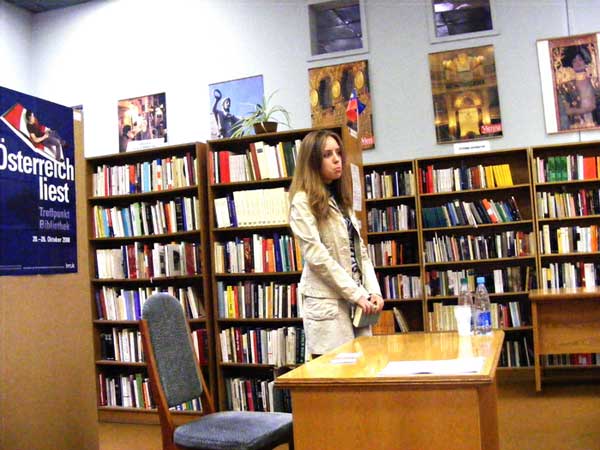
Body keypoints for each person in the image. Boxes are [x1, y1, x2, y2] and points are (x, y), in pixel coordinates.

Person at [288, 130, 383, 358]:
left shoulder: (341, 199)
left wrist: (373, 291)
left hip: (357, 300)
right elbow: (317, 257)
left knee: (363, 366)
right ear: (312, 161)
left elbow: (360, 251)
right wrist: (356, 294)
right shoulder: (302, 201)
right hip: (328, 304)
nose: (336, 159)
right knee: (336, 371)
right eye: (327, 154)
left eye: (338, 153)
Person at [561, 47, 599, 129]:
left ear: (585, 61)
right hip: (576, 125)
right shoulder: (567, 86)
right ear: (571, 65)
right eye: (574, 61)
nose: (578, 63)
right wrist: (585, 110)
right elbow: (567, 110)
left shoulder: (595, 82)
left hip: (595, 123)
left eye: (580, 59)